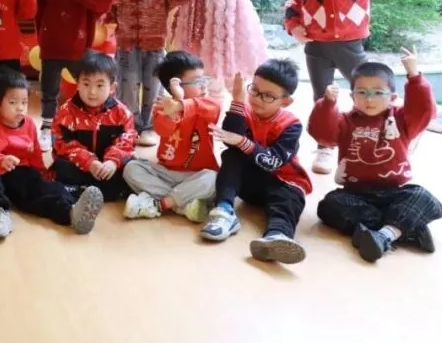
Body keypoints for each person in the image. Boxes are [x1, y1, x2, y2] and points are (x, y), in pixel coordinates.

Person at [286, 0, 433, 175]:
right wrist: (294, 27)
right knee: (321, 95)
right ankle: (326, 146)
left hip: (349, 45)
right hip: (316, 47)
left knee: (373, 87)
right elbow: (292, 5)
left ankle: (398, 127)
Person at [309, 49, 442, 262]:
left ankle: (383, 235)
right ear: (352, 96)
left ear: (393, 98)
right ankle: (404, 229)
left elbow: (423, 110)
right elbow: (323, 134)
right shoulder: (345, 121)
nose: (369, 99)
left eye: (378, 93)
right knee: (329, 205)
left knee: (421, 196)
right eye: (362, 92)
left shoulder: (402, 120)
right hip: (356, 194)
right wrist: (327, 105)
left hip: (394, 192)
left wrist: (414, 76)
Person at [200, 60, 312, 265]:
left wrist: (242, 141)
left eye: (268, 96)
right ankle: (224, 212)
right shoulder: (245, 111)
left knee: (288, 200)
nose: (258, 99)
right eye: (255, 90)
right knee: (232, 156)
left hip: (283, 182)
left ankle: (276, 236)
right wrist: (237, 100)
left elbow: (273, 162)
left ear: (286, 102)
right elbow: (230, 138)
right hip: (251, 185)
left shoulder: (291, 125)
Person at [0, 67, 104, 239]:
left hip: (27, 172)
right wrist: (1, 160)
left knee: (49, 186)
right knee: (31, 197)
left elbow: (35, 151)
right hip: (7, 174)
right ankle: (2, 212)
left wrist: (42, 172)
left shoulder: (29, 123)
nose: (20, 108)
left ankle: (73, 207)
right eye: (13, 103)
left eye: (24, 103)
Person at [122, 51, 220, 222]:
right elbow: (164, 130)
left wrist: (181, 105)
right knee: (131, 168)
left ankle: (160, 204)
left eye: (204, 79)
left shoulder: (205, 103)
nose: (204, 86)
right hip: (166, 172)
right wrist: (175, 105)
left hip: (197, 174)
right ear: (175, 86)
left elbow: (215, 108)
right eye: (197, 81)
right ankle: (183, 205)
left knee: (215, 178)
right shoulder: (162, 106)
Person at [111, 0, 189, 146]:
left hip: (155, 47)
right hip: (126, 46)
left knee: (153, 88)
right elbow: (111, 12)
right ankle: (129, 126)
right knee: (127, 86)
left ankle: (149, 127)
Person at [34, 0, 113, 136]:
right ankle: (47, 127)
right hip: (50, 50)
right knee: (49, 91)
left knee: (87, 87)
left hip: (79, 49)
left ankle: (89, 122)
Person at [49, 51, 136, 202]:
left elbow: (126, 141)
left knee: (131, 167)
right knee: (61, 168)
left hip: (107, 168)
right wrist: (89, 163)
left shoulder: (122, 113)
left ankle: (83, 191)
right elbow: (62, 144)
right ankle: (100, 191)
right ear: (77, 84)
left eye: (100, 85)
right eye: (86, 84)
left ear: (112, 87)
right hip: (79, 166)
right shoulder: (65, 112)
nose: (92, 92)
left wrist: (112, 162)